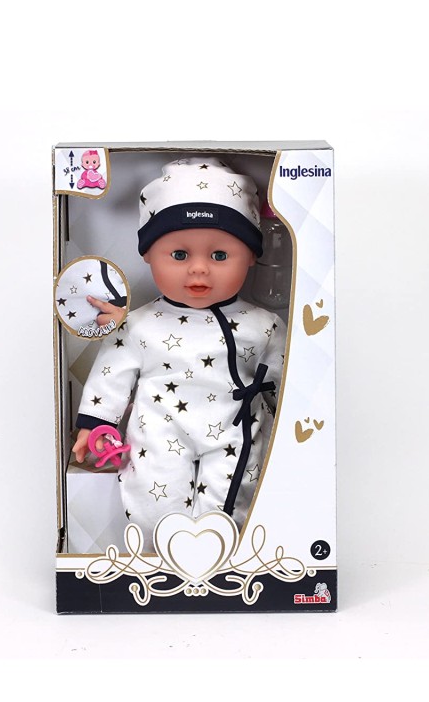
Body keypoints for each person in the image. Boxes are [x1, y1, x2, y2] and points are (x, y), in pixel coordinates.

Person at [72, 157, 286, 550]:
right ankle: (164, 556)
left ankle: (218, 558)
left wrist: (287, 428)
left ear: (251, 256)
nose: (199, 270)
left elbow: (285, 382)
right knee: (154, 500)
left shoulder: (264, 325)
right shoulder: (139, 324)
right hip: (160, 431)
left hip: (235, 433)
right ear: (148, 255)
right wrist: (95, 425)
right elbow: (111, 375)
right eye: (180, 255)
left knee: (231, 502)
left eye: (219, 256)